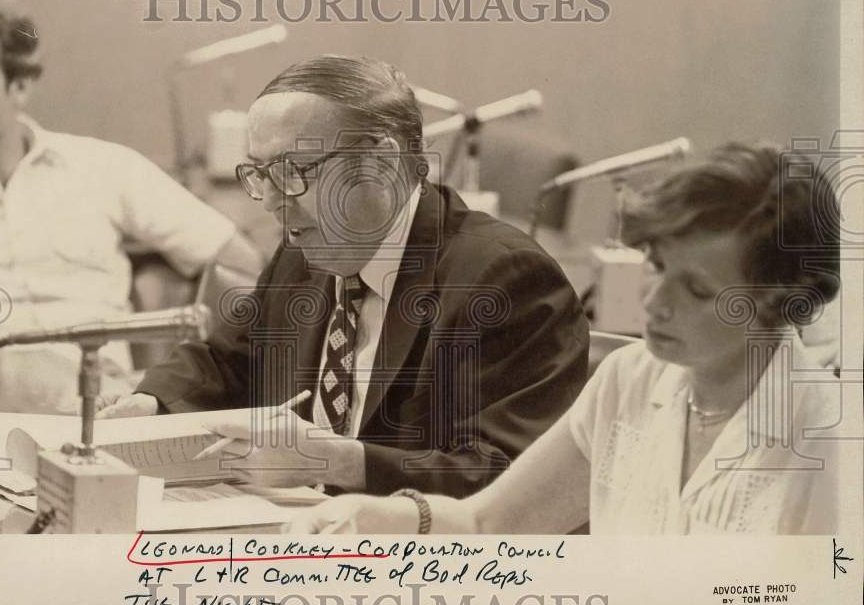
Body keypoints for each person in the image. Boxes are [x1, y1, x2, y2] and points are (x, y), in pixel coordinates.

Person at [290, 142, 847, 534]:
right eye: (655, 264)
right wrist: (378, 517)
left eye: (697, 289)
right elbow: (489, 522)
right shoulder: (629, 379)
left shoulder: (833, 441)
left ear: (780, 302)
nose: (653, 301)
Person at [99, 54, 590, 497]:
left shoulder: (503, 279)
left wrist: (338, 461)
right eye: (260, 174)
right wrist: (149, 402)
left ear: (382, 159)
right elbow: (228, 361)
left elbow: (508, 476)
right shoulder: (305, 250)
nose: (271, 200)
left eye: (293, 170)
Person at [0, 0, 251, 414]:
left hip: (101, 401)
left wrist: (183, 380)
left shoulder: (102, 167)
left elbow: (243, 266)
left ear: (20, 86)